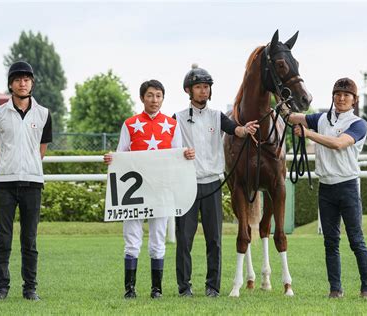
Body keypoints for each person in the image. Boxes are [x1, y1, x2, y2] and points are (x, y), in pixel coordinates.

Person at [103, 79, 195, 299]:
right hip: (134, 193)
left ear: (163, 98)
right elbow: (121, 154)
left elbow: (177, 156)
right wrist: (111, 159)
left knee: (158, 239)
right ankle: (130, 289)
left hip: (161, 191)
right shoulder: (130, 123)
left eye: (158, 95)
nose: (154, 100)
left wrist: (186, 155)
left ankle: (157, 289)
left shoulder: (172, 125)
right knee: (132, 239)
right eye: (150, 95)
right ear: (142, 97)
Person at [285, 77, 367, 299]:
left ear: (354, 100)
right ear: (333, 97)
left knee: (356, 240)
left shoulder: (358, 124)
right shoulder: (322, 118)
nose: (341, 98)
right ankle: (335, 289)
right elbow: (293, 118)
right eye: (338, 94)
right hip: (326, 188)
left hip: (347, 187)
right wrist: (283, 103)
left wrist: (308, 134)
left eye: (346, 95)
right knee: (330, 241)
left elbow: (338, 144)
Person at [174, 65, 259, 298]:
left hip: (212, 183)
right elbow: (170, 148)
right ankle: (185, 287)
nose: (203, 91)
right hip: (186, 184)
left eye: (206, 87)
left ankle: (213, 287)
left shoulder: (217, 116)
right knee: (184, 239)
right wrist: (181, 153)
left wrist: (245, 129)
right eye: (198, 87)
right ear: (188, 91)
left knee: (214, 238)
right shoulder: (177, 119)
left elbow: (235, 130)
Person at [0, 61, 52, 301]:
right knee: (3, 239)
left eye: (26, 79)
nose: (22, 83)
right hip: (5, 183)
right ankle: (1, 288)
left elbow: (40, 150)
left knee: (30, 240)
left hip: (33, 183)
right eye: (18, 79)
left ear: (32, 83)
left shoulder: (44, 114)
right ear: (11, 84)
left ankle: (30, 288)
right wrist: (7, 168)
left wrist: (28, 167)